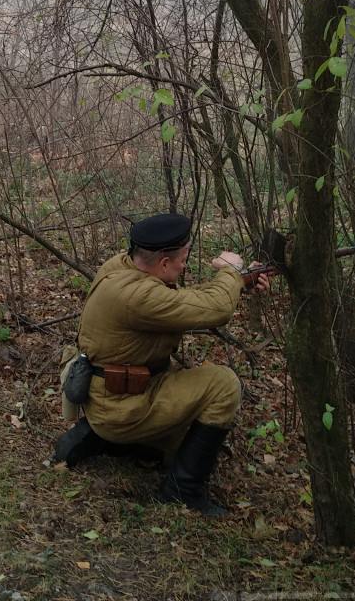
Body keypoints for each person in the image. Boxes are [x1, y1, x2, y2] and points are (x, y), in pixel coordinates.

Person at [54, 212, 268, 516]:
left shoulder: (123, 266)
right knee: (222, 385)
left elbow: (183, 302)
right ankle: (182, 491)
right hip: (122, 407)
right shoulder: (137, 295)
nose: (184, 265)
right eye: (182, 258)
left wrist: (239, 282)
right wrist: (231, 273)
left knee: (183, 433)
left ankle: (101, 437)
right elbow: (213, 308)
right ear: (164, 263)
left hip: (107, 395)